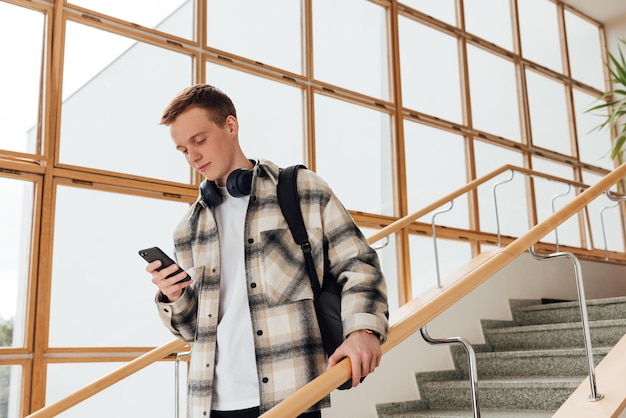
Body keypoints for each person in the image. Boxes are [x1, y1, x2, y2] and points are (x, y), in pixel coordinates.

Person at [147, 84, 389, 418]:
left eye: (199, 141)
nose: (193, 157)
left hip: (291, 393)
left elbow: (359, 264)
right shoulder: (188, 227)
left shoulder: (300, 190)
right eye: (183, 150)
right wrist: (173, 297)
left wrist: (363, 330)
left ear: (230, 126)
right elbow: (192, 331)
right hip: (210, 404)